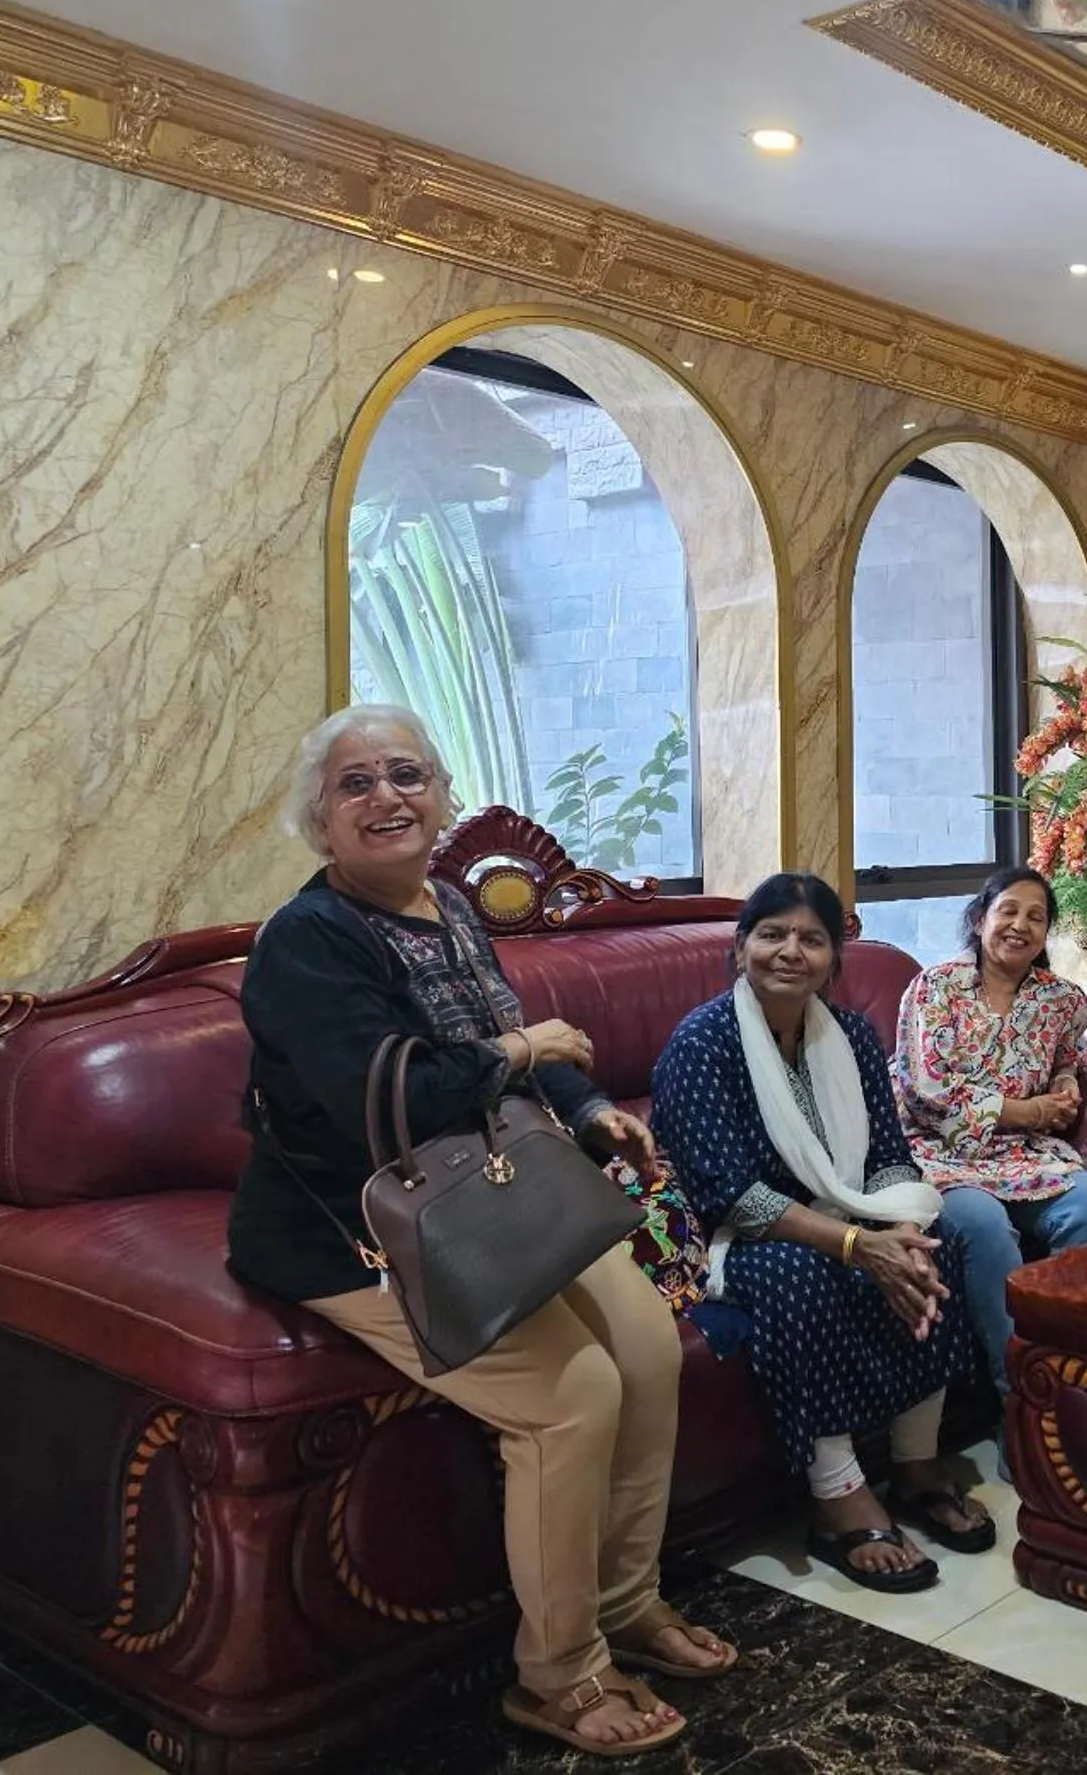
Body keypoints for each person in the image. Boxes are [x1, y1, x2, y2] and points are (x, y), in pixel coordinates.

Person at [229, 705, 730, 1761]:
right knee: (571, 1396)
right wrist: (521, 1049)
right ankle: (559, 1673)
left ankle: (626, 1602)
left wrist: (591, 1113)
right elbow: (390, 1098)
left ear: (441, 795)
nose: (386, 797)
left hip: (493, 1194)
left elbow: (514, 1049)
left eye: (406, 774)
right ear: (319, 821)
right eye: (355, 784)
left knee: (647, 1345)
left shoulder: (449, 904)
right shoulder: (307, 939)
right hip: (357, 1226)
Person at [650, 872, 990, 1594]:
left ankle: (915, 1463)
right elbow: (727, 1194)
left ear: (834, 957)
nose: (789, 952)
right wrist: (858, 1246)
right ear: (740, 948)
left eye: (811, 939)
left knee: (943, 1238)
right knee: (800, 1274)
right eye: (772, 934)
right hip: (735, 1239)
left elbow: (888, 1154)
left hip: (845, 1213)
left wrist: (901, 1230)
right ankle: (838, 1498)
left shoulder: (852, 1035)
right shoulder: (702, 1044)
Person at [893, 867, 1087, 1398]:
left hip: (1022, 1154)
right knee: (984, 1224)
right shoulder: (936, 988)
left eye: (1036, 917)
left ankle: (1070, 1373)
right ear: (980, 919)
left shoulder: (1061, 1000)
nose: (1020, 926)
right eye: (1008, 911)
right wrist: (1030, 1111)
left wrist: (1064, 1085)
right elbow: (929, 1092)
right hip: (940, 1151)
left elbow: (1067, 1058)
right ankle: (1021, 1394)